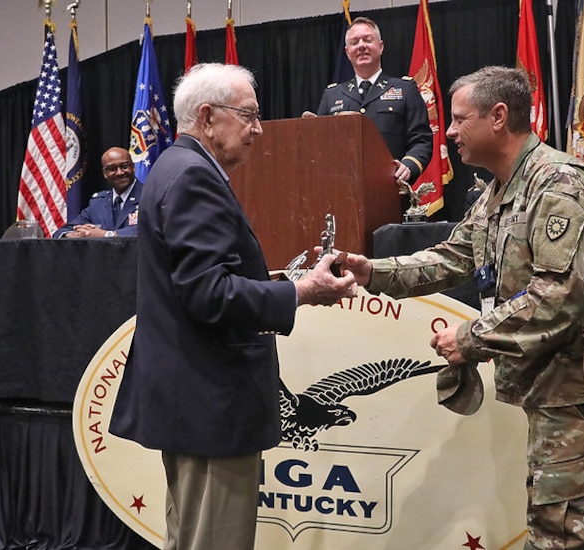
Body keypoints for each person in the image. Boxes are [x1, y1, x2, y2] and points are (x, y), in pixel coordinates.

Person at [342, 66, 584, 549]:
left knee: (569, 539)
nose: (451, 133)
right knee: (553, 532)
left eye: (459, 120)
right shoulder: (498, 191)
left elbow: (557, 297)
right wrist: (371, 272)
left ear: (498, 117)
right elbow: (453, 256)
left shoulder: (561, 185)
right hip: (555, 397)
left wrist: (468, 339)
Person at [109, 63, 358, 550]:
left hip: (194, 398)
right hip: (210, 401)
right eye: (249, 116)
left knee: (191, 534)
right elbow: (209, 294)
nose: (259, 129)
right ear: (207, 116)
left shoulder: (173, 167)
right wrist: (301, 292)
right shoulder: (194, 178)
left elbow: (194, 281)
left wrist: (270, 282)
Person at [305, 16, 432, 187]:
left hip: (390, 188)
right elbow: (321, 148)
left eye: (367, 40)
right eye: (355, 42)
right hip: (342, 190)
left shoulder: (405, 89)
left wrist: (409, 166)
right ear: (347, 52)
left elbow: (422, 139)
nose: (361, 46)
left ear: (380, 47)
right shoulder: (332, 94)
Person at [53, 147, 142, 238]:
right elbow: (63, 231)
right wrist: (73, 234)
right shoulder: (98, 202)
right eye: (112, 169)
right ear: (105, 173)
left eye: (124, 166)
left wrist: (107, 235)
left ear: (133, 168)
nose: (119, 173)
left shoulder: (148, 196)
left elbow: (149, 229)